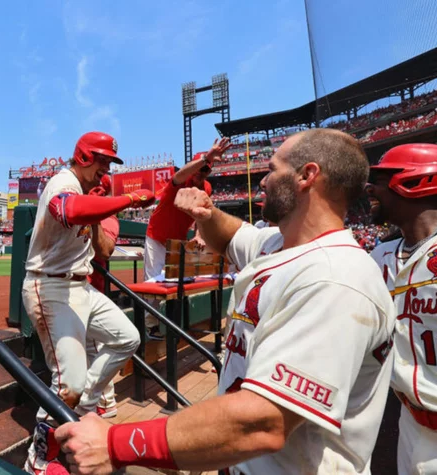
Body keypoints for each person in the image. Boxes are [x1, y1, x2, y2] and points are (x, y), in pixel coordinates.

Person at [55, 129, 397, 475]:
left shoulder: (335, 278)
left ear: (307, 176)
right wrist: (207, 213)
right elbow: (233, 234)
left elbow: (263, 422)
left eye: (272, 169)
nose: (263, 181)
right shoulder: (279, 243)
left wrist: (115, 443)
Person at [21, 131, 155, 475]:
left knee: (127, 338)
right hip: (50, 287)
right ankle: (39, 453)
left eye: (110, 162)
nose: (106, 169)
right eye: (103, 160)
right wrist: (126, 201)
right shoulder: (61, 182)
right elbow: (69, 210)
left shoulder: (85, 190)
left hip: (82, 288)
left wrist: (102, 207)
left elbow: (101, 248)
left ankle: (85, 406)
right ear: (83, 157)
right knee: (69, 383)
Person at [366, 143, 437, 474]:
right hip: (410, 428)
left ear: (417, 181)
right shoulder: (378, 257)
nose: (369, 187)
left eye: (381, 178)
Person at [142, 148, 220, 340]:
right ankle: (150, 326)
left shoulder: (206, 189)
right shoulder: (181, 181)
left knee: (177, 284)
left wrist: (199, 235)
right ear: (193, 167)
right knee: (153, 283)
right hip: (157, 236)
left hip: (178, 241)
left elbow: (202, 215)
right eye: (198, 168)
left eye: (205, 170)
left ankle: (173, 325)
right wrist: (204, 159)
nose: (200, 174)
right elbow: (179, 174)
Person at [86, 174, 120, 419]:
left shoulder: (109, 216)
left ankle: (105, 402)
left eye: (99, 189)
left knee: (96, 348)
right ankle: (100, 402)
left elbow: (105, 250)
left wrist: (93, 214)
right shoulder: (73, 203)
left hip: (92, 291)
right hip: (74, 289)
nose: (93, 191)